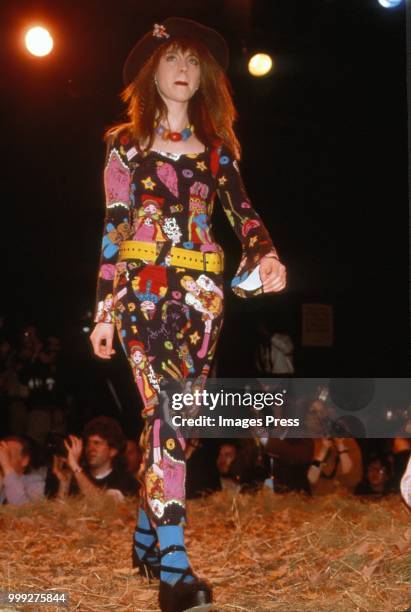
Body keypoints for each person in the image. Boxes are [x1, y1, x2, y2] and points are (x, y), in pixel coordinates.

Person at [89, 17, 286, 612]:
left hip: (204, 298)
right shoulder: (123, 143)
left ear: (206, 77)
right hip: (142, 295)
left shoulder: (219, 151)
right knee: (166, 414)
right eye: (172, 58)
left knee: (185, 429)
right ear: (153, 69)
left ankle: (148, 536)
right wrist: (101, 312)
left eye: (194, 61)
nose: (183, 69)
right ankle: (175, 570)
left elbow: (244, 213)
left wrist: (267, 252)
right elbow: (112, 228)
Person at [52, 416, 138, 501]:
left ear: (112, 451)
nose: (90, 448)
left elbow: (104, 504)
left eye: (97, 443)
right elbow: (60, 513)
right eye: (88, 444)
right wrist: (64, 483)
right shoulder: (77, 477)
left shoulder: (126, 480)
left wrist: (75, 467)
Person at [0, 435, 46, 505]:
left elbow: (22, 507)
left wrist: (6, 466)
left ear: (25, 460)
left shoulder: (35, 482)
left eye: (8, 455)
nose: (2, 458)